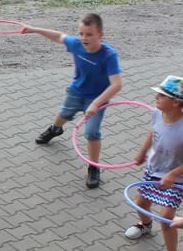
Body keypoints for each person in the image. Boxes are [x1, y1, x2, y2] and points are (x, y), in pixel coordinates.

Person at [23, 14, 123, 189]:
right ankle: (55, 129)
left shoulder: (108, 55)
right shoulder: (76, 44)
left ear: (100, 34)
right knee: (63, 114)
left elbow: (116, 85)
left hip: (96, 100)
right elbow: (58, 36)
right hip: (76, 92)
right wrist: (34, 29)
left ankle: (94, 167)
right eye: (81, 33)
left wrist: (96, 103)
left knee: (92, 133)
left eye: (89, 34)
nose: (84, 38)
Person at [125, 76, 183, 251]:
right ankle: (145, 225)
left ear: (175, 102)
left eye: (161, 95)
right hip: (154, 169)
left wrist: (173, 174)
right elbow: (153, 132)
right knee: (141, 202)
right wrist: (142, 152)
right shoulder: (156, 114)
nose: (156, 98)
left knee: (166, 218)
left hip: (178, 178)